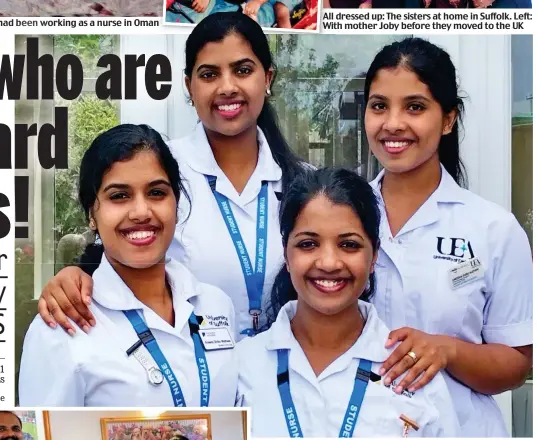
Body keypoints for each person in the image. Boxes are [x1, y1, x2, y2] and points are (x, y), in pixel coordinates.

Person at [36, 13, 303, 341]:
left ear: (268, 78)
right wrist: (72, 279)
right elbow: (110, 253)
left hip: (281, 376)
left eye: (243, 70)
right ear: (189, 85)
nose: (227, 87)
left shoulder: (305, 183)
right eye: (209, 74)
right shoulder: (157, 173)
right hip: (186, 372)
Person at [363, 37, 532, 436]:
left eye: (415, 107)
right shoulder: (342, 218)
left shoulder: (492, 229)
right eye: (379, 105)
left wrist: (449, 351)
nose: (393, 123)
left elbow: (518, 364)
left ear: (448, 119)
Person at [19, 125, 237, 407]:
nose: (141, 212)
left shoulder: (216, 306)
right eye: (119, 196)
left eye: (156, 192)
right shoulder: (60, 327)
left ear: (176, 202)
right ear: (91, 215)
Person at [236, 168, 460, 437]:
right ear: (286, 254)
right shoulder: (241, 366)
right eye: (308, 244)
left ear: (374, 255)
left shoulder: (412, 372)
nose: (329, 263)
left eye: (349, 245)